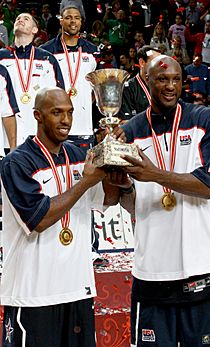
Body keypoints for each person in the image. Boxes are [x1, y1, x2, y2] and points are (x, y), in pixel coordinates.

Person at [115, 55, 210, 345]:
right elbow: (132, 204)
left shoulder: (204, 120)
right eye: (162, 79)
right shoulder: (130, 132)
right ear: (146, 82)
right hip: (151, 271)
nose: (170, 86)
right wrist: (123, 187)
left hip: (199, 267)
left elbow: (208, 185)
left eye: (176, 79)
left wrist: (154, 174)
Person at [0, 87, 109, 347]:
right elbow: (38, 219)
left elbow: (108, 199)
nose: (66, 120)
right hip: (33, 295)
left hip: (77, 289)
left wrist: (114, 167)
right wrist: (86, 181)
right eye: (57, 113)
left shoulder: (80, 156)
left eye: (70, 113)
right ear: (37, 116)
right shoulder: (17, 163)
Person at [41, 0, 99, 153]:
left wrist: (85, 101)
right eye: (68, 17)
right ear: (61, 20)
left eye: (77, 18)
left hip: (84, 126)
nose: (73, 21)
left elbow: (98, 87)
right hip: (53, 127)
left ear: (81, 21)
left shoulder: (93, 51)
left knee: (83, 173)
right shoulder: (46, 51)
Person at [0, 12, 65, 146]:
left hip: (38, 131)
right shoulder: (1, 57)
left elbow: (57, 98)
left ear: (35, 30)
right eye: (18, 18)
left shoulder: (47, 59)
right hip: (4, 133)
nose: (20, 20)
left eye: (26, 18)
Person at [119, 45, 160, 120]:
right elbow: (126, 121)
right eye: (155, 62)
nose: (159, 66)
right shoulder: (128, 88)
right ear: (142, 63)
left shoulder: (164, 85)